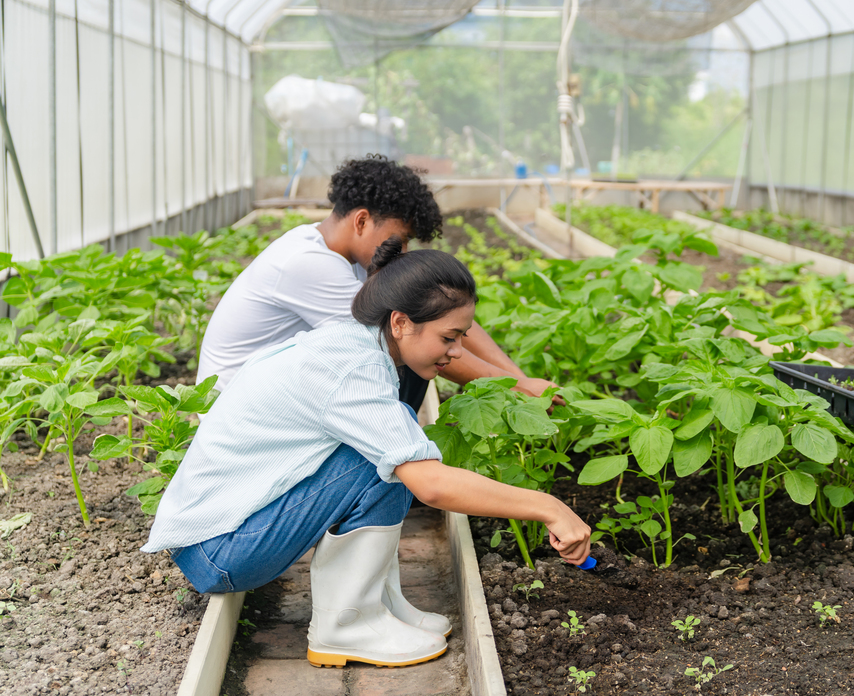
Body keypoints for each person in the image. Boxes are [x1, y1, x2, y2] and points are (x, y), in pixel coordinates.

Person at [145, 245, 591, 668]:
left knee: (393, 442)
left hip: (224, 534)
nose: (457, 352)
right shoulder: (353, 369)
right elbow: (432, 485)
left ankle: (376, 602)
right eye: (449, 337)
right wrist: (549, 507)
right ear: (400, 323)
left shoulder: (354, 341)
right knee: (390, 461)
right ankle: (346, 626)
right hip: (220, 552)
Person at [197, 155, 555, 408]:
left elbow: (445, 313)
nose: (403, 251)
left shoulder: (346, 256)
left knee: (418, 336)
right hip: (239, 409)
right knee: (412, 353)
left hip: (277, 392)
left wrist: (517, 377)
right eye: (400, 239)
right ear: (362, 221)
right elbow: (417, 340)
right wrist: (519, 389)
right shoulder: (307, 264)